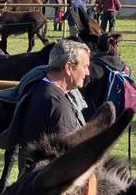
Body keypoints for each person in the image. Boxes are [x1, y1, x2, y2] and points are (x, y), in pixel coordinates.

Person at [14, 39, 90, 167]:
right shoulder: (58, 105)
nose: (88, 72)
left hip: (30, 177)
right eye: (85, 66)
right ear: (69, 68)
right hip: (47, 183)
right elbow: (68, 157)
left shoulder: (36, 88)